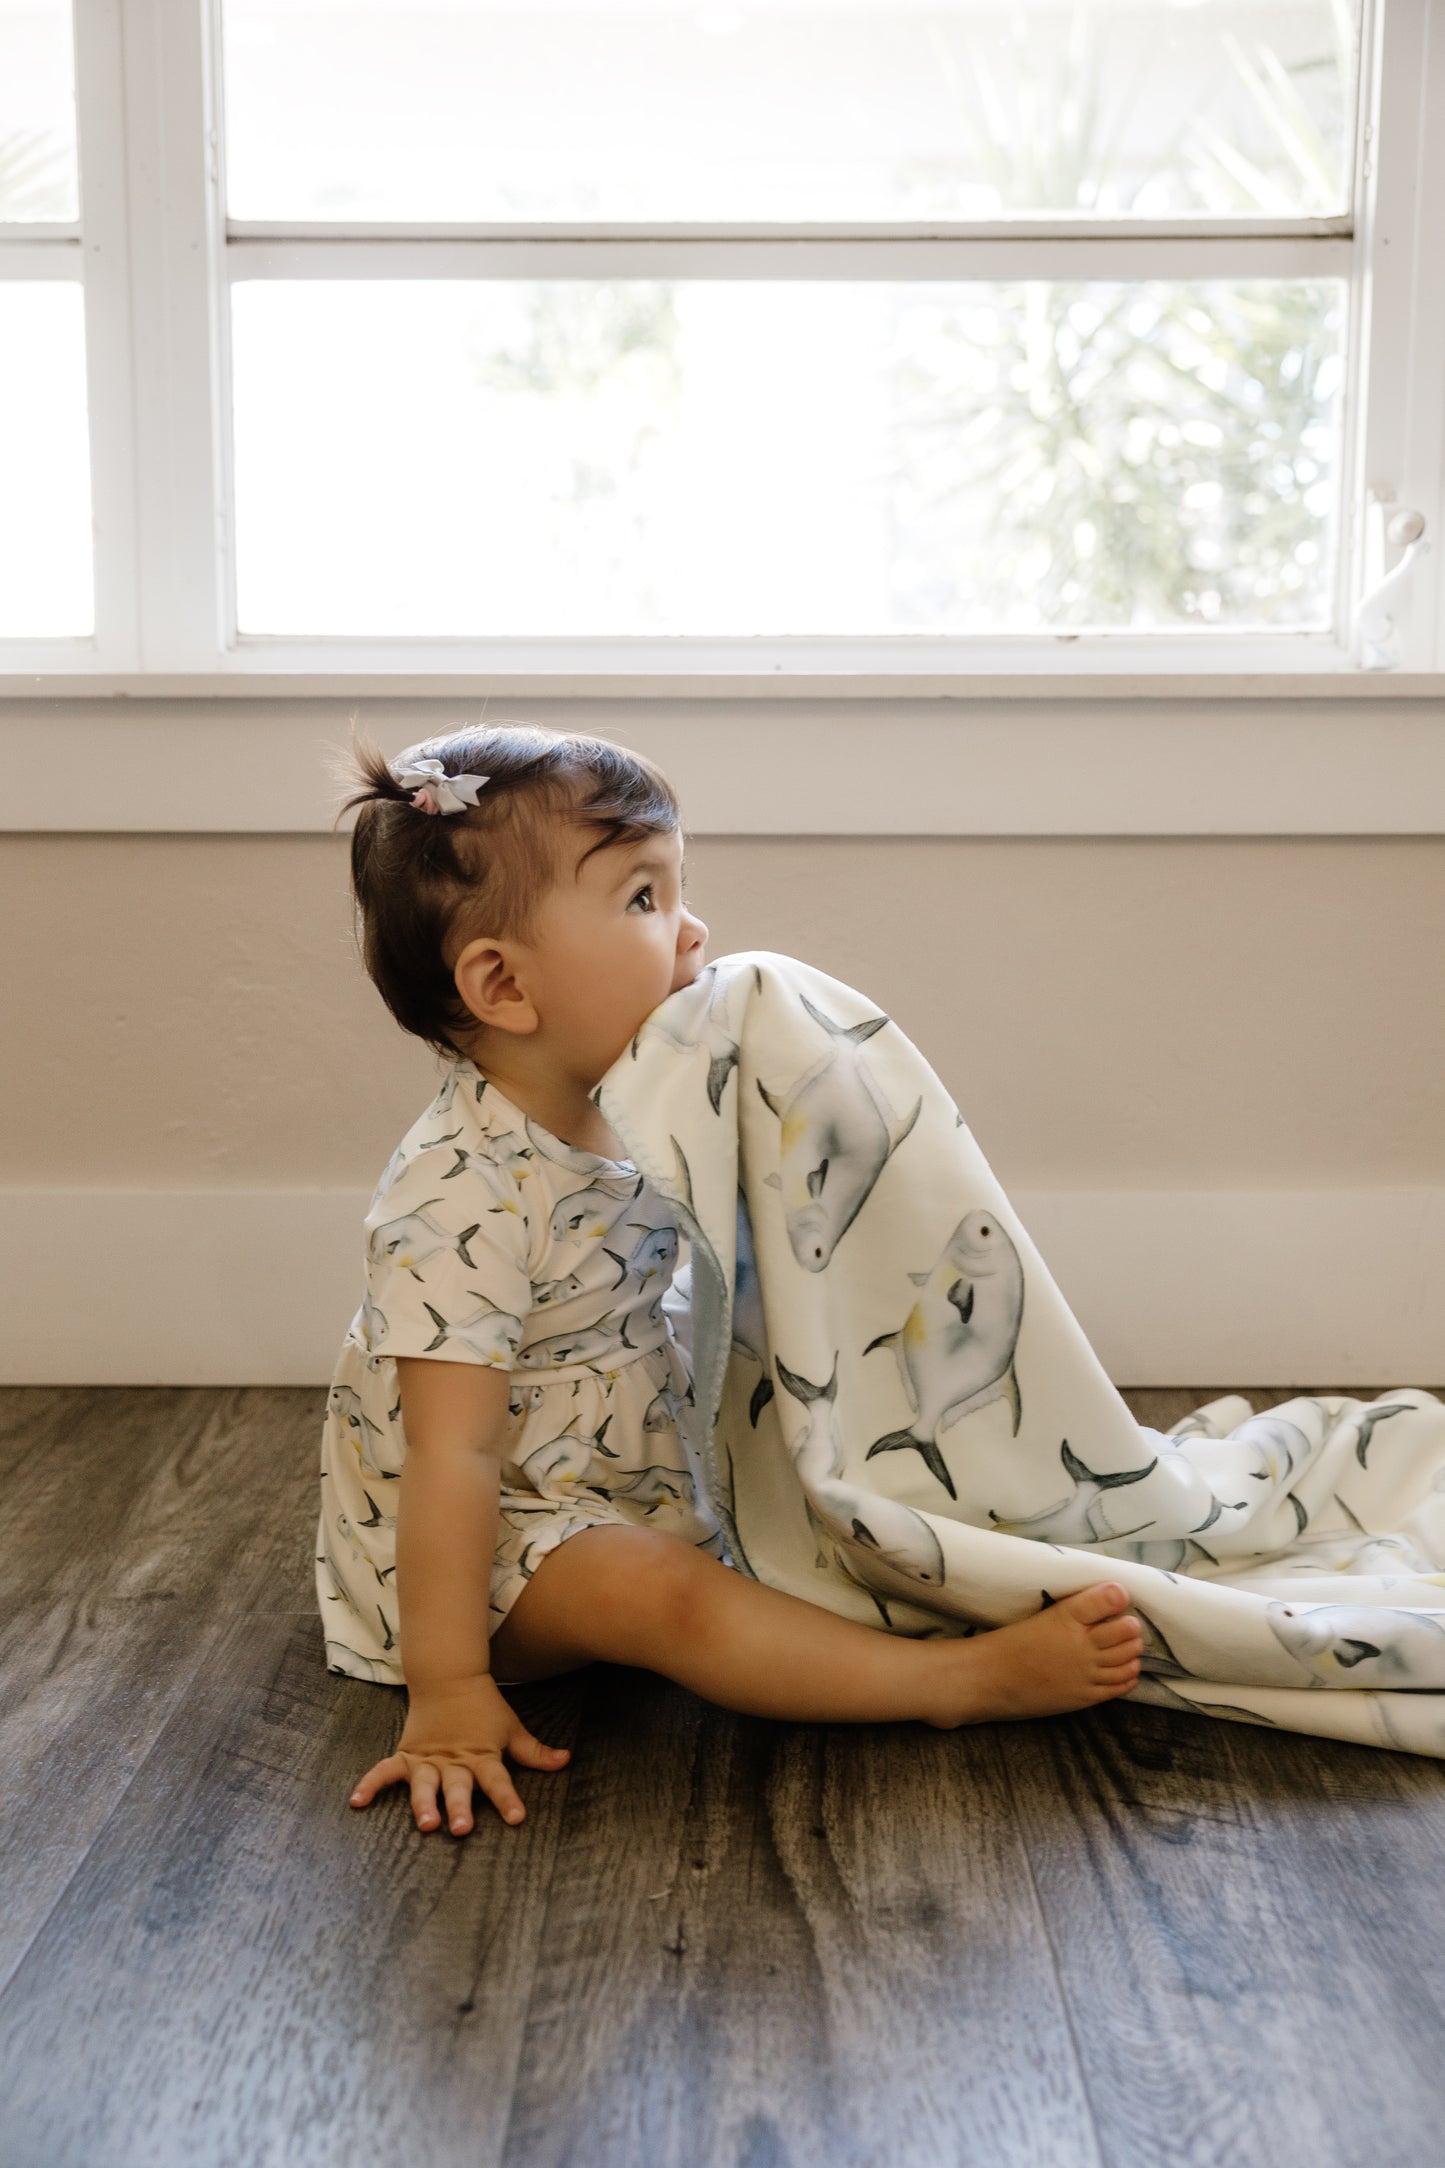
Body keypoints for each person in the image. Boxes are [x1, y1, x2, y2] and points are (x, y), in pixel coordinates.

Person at [321, 723, 1144, 1839]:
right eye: (641, 897)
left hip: (629, 1462)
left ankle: (900, 1584)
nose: (693, 926)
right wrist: (449, 1687)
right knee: (653, 1592)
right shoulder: (453, 1193)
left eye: (677, 885)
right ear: (503, 982)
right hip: (487, 1549)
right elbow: (449, 1455)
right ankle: (951, 1688)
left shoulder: (645, 1099)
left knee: (804, 1503)